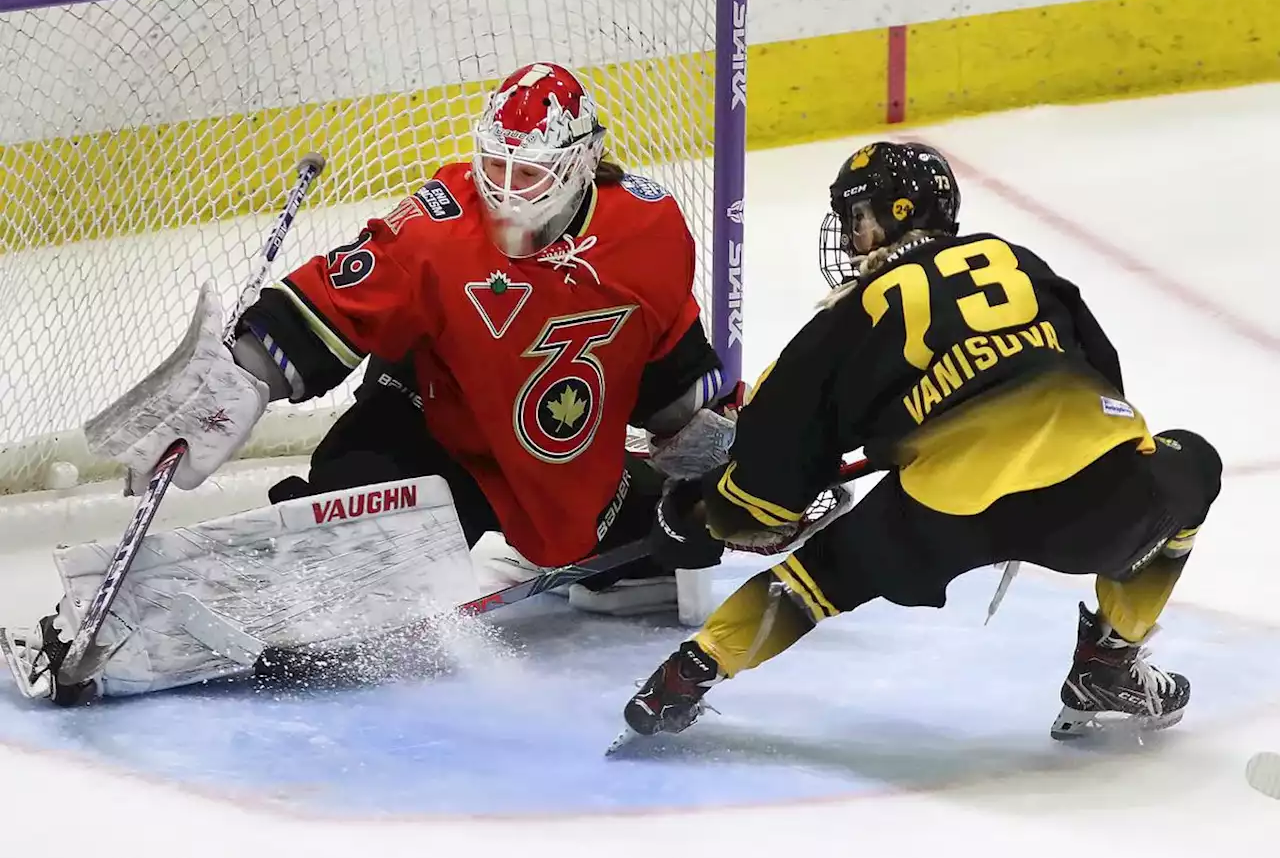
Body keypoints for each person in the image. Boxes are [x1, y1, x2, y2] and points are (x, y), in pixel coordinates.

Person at [5, 62, 735, 705]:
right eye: (494, 166)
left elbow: (665, 353)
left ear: (581, 165)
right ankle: (281, 584)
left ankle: (617, 548)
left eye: (530, 174)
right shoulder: (441, 227)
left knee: (665, 532)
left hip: (551, 468)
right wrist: (238, 378)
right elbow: (333, 296)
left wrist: (711, 451)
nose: (506, 192)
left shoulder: (651, 227)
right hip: (428, 420)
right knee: (351, 504)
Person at [619, 141, 1222, 744]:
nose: (851, 234)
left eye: (856, 217)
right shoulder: (1016, 261)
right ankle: (1110, 663)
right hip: (1091, 495)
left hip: (943, 509)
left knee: (823, 575)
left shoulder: (842, 320)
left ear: (889, 216)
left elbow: (763, 494)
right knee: (1193, 460)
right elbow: (1103, 378)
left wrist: (699, 514)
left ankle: (692, 669)